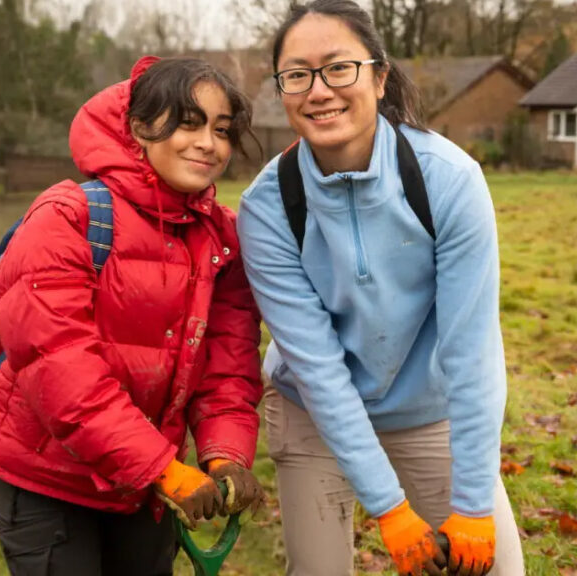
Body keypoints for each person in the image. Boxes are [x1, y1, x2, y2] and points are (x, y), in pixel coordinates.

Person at [237, 1, 525, 575]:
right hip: (312, 412)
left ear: (379, 74)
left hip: (427, 408)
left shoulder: (449, 180)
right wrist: (391, 510)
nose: (319, 91)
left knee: (499, 569)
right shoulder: (265, 209)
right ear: (282, 88)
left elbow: (472, 353)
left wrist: (471, 505)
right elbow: (317, 369)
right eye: (297, 74)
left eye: (339, 67)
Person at [0, 56, 264, 576]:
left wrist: (225, 452)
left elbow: (227, 365)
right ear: (138, 127)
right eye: (188, 122)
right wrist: (159, 467)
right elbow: (62, 370)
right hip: (50, 482)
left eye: (222, 130)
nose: (209, 144)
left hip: (145, 491)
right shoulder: (67, 217)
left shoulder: (222, 239)